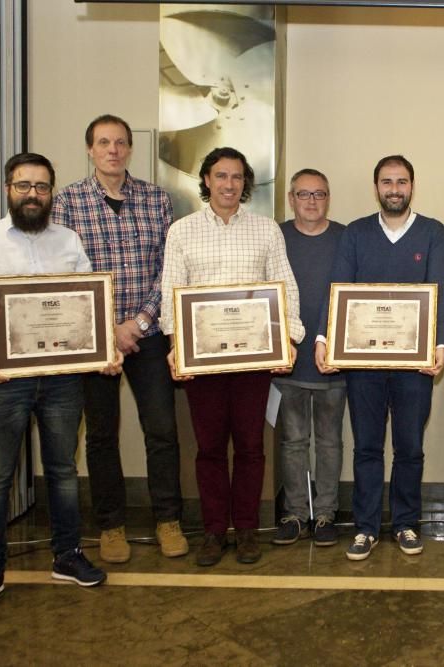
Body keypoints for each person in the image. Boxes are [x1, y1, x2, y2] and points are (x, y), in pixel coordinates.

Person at [0, 152, 116, 613]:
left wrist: (102, 349)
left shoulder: (70, 240)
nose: (32, 194)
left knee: (62, 473)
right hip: (1, 382)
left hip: (60, 382)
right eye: (23, 186)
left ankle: (67, 555)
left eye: (41, 187)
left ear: (52, 192)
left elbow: (85, 309)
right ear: (7, 189)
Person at [51, 114, 186, 564]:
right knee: (101, 435)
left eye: (121, 142)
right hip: (94, 337)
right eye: (104, 142)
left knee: (162, 431)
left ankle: (168, 520)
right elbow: (63, 275)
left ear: (130, 149)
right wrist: (108, 329)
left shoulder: (155, 199)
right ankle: (110, 525)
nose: (113, 149)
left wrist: (138, 323)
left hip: (146, 334)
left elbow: (167, 270)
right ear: (89, 149)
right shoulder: (67, 202)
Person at [160, 147, 304, 567]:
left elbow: (286, 288)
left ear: (246, 184)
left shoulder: (266, 231)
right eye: (221, 176)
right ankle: (212, 531)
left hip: (253, 360)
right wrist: (175, 346)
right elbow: (172, 292)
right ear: (206, 180)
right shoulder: (181, 232)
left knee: (250, 447)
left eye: (237, 177)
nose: (228, 184)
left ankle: (244, 529)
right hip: (203, 362)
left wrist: (289, 340)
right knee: (208, 448)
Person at [314, 155, 444, 561]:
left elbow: (441, 294)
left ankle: (407, 523)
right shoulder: (356, 233)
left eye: (402, 181)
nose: (395, 188)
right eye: (387, 181)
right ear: (377, 187)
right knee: (368, 448)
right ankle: (366, 528)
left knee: (410, 448)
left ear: (413, 186)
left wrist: (440, 347)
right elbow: (337, 288)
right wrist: (324, 337)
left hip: (415, 366)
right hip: (365, 366)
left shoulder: (432, 232)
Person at [272, 168, 346, 548]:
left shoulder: (346, 237)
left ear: (328, 198)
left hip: (333, 360)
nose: (312, 201)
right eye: (304, 195)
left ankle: (327, 515)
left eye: (319, 194)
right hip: (290, 361)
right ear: (291, 199)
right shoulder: (275, 236)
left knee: (331, 442)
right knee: (293, 442)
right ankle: (296, 514)